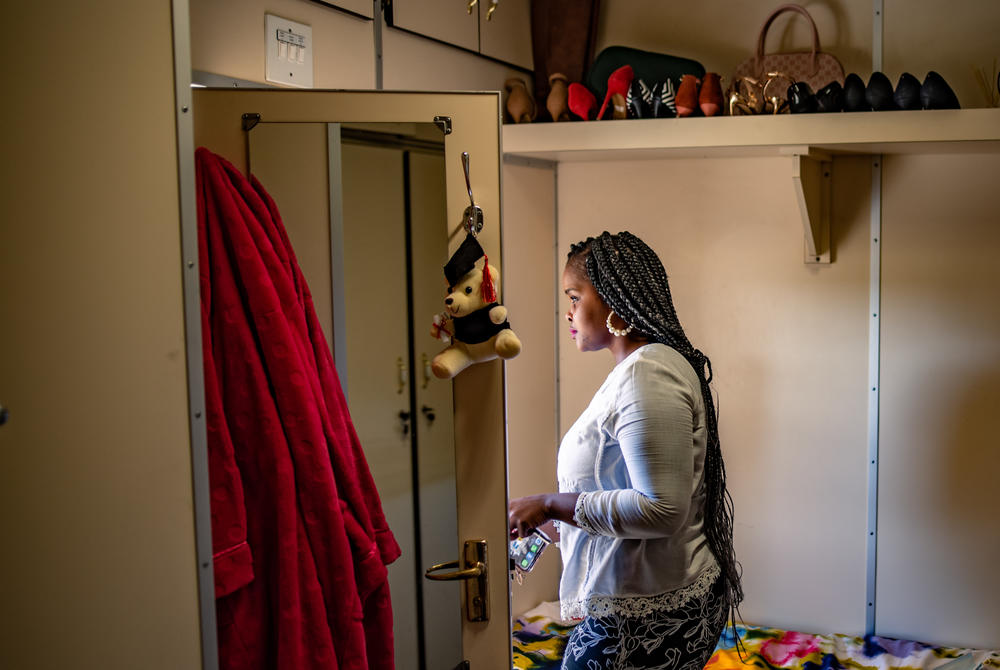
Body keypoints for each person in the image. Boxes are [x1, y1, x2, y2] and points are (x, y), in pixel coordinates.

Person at [508, 231, 742, 670]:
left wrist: (549, 504)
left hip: (647, 613)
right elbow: (621, 489)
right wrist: (548, 522)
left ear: (613, 300)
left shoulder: (648, 374)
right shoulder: (640, 369)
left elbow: (662, 510)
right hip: (648, 599)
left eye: (575, 297)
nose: (568, 313)